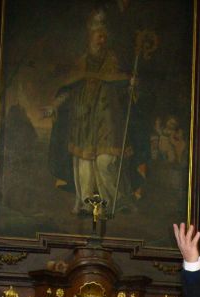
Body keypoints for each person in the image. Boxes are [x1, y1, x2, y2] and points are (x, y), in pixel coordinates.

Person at [46, 9, 136, 216]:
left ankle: (116, 202)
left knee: (106, 162)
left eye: (104, 36)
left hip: (108, 120)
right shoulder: (82, 62)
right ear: (90, 37)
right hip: (84, 121)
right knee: (85, 164)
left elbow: (123, 87)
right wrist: (55, 105)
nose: (101, 40)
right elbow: (69, 88)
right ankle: (89, 205)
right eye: (98, 36)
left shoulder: (113, 61)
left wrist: (131, 85)